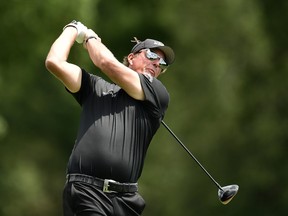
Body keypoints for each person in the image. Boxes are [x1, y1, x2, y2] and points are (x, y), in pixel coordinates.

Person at [45, 20, 175, 216]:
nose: (157, 63)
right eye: (151, 55)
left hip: (127, 201)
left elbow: (105, 63)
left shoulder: (157, 94)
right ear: (131, 58)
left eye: (162, 63)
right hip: (85, 192)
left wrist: (89, 37)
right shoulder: (94, 88)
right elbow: (54, 62)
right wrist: (72, 29)